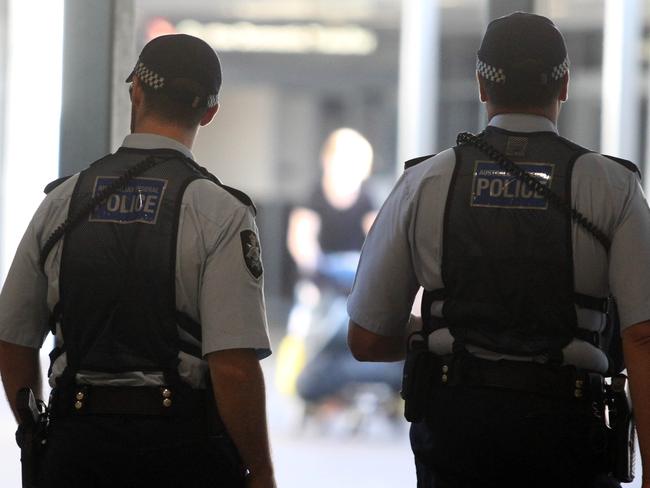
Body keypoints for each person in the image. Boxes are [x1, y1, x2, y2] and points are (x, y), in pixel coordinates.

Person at [347, 12, 650, 488]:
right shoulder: (615, 187)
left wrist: (437, 330)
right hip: (568, 434)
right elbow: (643, 337)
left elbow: (366, 339)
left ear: (481, 86)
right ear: (564, 84)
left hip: (455, 435)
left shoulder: (424, 181)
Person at [0, 34, 276, 488]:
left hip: (76, 447)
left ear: (136, 93)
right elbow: (233, 366)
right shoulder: (221, 213)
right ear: (208, 113)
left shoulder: (62, 202)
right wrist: (261, 471)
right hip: (184, 452)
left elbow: (13, 340)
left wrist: (35, 433)